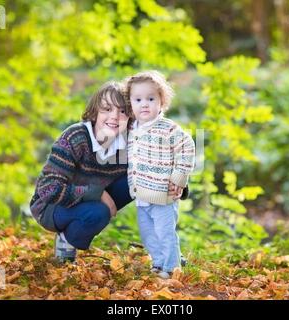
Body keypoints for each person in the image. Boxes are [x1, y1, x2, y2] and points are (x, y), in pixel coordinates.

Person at [29, 81, 184, 263]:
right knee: (98, 212)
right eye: (107, 109)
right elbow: (48, 190)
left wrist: (176, 182)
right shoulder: (75, 137)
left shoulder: (132, 142)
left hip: (92, 200)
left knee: (151, 178)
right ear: (95, 112)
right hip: (53, 208)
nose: (114, 117)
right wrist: (98, 193)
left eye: (122, 111)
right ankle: (66, 240)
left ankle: (167, 253)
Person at [125, 71, 196, 279]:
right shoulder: (132, 128)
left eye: (150, 99)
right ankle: (158, 262)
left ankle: (171, 267)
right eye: (138, 99)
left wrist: (179, 178)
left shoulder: (168, 129)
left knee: (165, 233)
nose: (144, 104)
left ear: (162, 101)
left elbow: (188, 147)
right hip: (141, 195)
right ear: (130, 103)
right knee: (148, 234)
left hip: (164, 194)